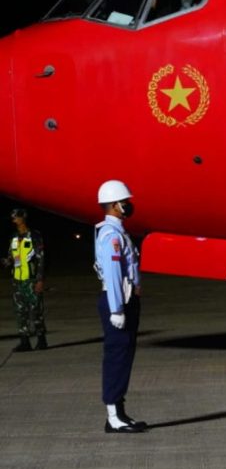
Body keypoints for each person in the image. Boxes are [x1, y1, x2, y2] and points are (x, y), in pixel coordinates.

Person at [94, 180, 146, 433]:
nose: (128, 205)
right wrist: (116, 309)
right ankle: (113, 416)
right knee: (117, 357)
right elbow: (114, 274)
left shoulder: (119, 231)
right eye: (125, 202)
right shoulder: (111, 235)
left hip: (125, 299)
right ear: (115, 205)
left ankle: (120, 412)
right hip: (118, 300)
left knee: (124, 357)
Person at [7, 209, 47, 352]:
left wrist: (40, 280)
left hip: (31, 280)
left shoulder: (34, 236)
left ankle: (41, 340)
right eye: (13, 217)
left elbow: (41, 259)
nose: (14, 219)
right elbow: (12, 257)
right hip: (18, 280)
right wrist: (7, 261)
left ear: (23, 218)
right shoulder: (13, 237)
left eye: (16, 217)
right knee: (20, 312)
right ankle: (25, 342)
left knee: (36, 311)